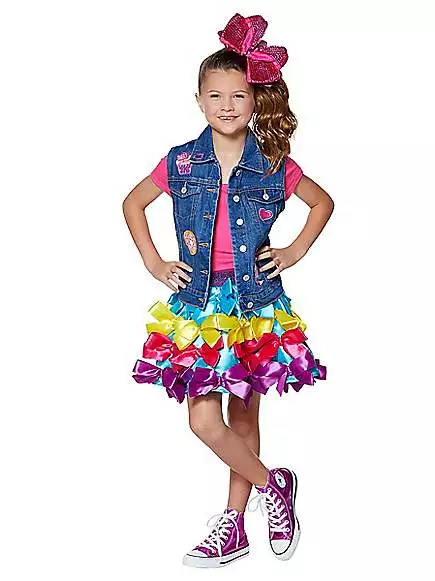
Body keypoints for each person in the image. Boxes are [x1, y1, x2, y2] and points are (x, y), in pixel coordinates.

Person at [122, 12, 334, 568]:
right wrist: (154, 261)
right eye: (215, 95)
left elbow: (322, 203)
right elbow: (133, 204)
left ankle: (233, 525)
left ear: (254, 99)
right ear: (198, 101)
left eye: (239, 95)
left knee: (243, 418)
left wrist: (293, 251)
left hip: (254, 302)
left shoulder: (273, 164)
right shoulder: (181, 161)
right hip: (199, 304)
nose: (227, 105)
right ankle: (273, 485)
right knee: (202, 420)